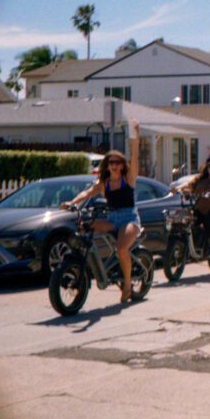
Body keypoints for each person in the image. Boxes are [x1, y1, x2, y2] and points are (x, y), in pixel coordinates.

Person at [61, 122, 142, 303]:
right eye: (111, 162)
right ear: (107, 165)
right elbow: (87, 192)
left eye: (117, 162)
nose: (113, 165)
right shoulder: (103, 184)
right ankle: (82, 266)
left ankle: (128, 284)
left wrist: (136, 137)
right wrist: (72, 202)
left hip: (129, 218)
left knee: (121, 248)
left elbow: (135, 159)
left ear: (122, 166)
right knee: (84, 228)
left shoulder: (127, 180)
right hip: (111, 218)